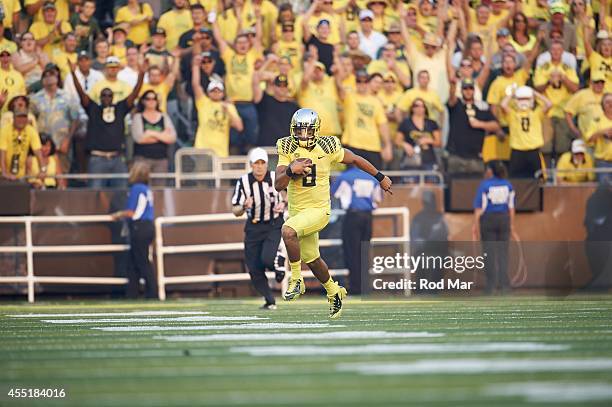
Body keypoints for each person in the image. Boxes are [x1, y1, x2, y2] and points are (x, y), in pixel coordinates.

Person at [274, 108, 392, 319]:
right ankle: (333, 290)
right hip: (298, 210)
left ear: (315, 131)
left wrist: (380, 177)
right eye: (299, 131)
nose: (302, 136)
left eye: (307, 131)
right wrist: (292, 169)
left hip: (319, 210)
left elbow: (355, 159)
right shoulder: (286, 147)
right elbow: (277, 184)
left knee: (288, 231)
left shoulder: (327, 146)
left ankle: (296, 280)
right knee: (313, 259)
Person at [69, 58, 145, 188]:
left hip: (117, 158)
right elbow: (81, 93)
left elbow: (135, 93)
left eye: (109, 95)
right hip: (97, 158)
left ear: (113, 97)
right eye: (103, 95)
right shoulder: (93, 109)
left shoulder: (120, 108)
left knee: (120, 193)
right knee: (95, 194)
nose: (106, 98)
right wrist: (73, 74)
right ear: (99, 97)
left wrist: (142, 75)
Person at [231, 148, 285, 310]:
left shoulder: (276, 177)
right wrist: (243, 206)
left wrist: (285, 202)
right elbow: (235, 210)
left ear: (267, 164)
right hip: (253, 226)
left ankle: (278, 262)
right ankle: (269, 300)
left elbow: (291, 194)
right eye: (256, 163)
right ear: (251, 165)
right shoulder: (243, 182)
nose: (260, 167)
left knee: (267, 259)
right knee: (254, 268)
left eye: (262, 163)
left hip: (273, 224)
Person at [331, 165, 381, 295]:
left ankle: (355, 287)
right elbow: (378, 199)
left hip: (353, 216)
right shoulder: (372, 177)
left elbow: (333, 193)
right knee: (364, 252)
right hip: (368, 217)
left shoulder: (345, 176)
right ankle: (365, 286)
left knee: (351, 252)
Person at [112, 161, 157, 299]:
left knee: (142, 261)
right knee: (133, 263)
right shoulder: (146, 189)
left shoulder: (137, 188)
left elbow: (131, 212)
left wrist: (117, 215)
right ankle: (132, 293)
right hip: (148, 226)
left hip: (139, 227)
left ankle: (152, 293)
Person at [472, 160, 516, 295]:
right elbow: (511, 208)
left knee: (489, 253)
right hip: (504, 219)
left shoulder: (485, 185)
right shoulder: (508, 185)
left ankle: (490, 285)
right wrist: (512, 225)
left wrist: (475, 226)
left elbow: (479, 208)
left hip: (489, 220)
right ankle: (504, 285)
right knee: (503, 253)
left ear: (490, 171)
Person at [30, 63, 80, 174]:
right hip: (42, 148)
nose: (48, 77)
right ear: (42, 80)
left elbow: (75, 120)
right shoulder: (35, 99)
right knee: (43, 177)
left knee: (62, 178)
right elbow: (30, 122)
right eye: (45, 75)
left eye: (51, 74)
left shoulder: (68, 97)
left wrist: (67, 140)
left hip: (62, 145)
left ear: (57, 78)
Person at [338, 69, 392, 169]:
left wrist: (387, 145)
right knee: (353, 179)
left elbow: (382, 124)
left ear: (368, 83)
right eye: (359, 81)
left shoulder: (376, 101)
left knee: (375, 180)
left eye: (365, 81)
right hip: (353, 145)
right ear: (355, 83)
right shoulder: (349, 97)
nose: (362, 84)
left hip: (373, 147)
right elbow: (339, 85)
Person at [446, 78, 501, 176]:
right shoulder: (457, 105)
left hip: (475, 156)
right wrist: (453, 85)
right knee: (454, 188)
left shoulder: (481, 107)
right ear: (461, 90)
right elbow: (451, 99)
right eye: (465, 88)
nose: (468, 91)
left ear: (474, 90)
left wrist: (480, 124)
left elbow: (496, 126)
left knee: (475, 186)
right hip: (456, 156)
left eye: (470, 88)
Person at [192, 54, 243, 157]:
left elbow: (239, 127)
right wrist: (195, 66)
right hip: (202, 151)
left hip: (221, 153)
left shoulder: (229, 107)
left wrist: (228, 111)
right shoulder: (203, 102)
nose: (216, 93)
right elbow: (196, 85)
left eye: (218, 91)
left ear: (223, 93)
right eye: (213, 91)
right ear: (208, 93)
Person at [500, 85, 552, 178]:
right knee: (515, 179)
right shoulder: (512, 115)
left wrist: (535, 93)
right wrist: (512, 94)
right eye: (521, 99)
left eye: (526, 99)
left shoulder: (536, 114)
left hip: (533, 151)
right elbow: (503, 105)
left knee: (538, 179)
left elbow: (549, 104)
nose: (524, 102)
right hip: (517, 151)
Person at [131, 89, 177, 177]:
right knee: (142, 185)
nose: (151, 101)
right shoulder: (138, 117)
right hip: (142, 159)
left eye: (154, 99)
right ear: (143, 101)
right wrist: (162, 135)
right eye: (148, 99)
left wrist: (150, 133)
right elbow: (139, 139)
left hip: (161, 159)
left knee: (159, 189)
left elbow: (172, 138)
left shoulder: (164, 116)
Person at [396, 98, 441, 181]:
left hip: (429, 159)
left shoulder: (431, 123)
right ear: (412, 108)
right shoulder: (406, 123)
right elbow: (397, 141)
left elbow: (439, 142)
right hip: (411, 159)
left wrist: (428, 140)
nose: (419, 108)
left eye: (422, 106)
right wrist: (405, 145)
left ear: (425, 108)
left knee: (430, 185)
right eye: (416, 105)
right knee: (410, 186)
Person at [253, 73, 299, 147]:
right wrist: (268, 76)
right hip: (266, 147)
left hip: (286, 148)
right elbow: (255, 81)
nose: (282, 88)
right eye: (279, 85)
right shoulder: (264, 100)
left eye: (284, 86)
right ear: (273, 87)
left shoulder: (294, 107)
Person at [0, 108, 45, 181]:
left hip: (20, 175)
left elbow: (38, 152)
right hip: (2, 173)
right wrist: (4, 173)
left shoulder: (31, 130)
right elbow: (2, 152)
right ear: (14, 118)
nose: (21, 120)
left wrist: (43, 170)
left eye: (24, 117)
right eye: (19, 117)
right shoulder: (5, 130)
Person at [585, 93, 612, 183]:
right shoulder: (596, 121)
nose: (610, 104)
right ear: (602, 105)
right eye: (607, 102)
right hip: (603, 162)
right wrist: (601, 132)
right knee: (604, 191)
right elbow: (588, 139)